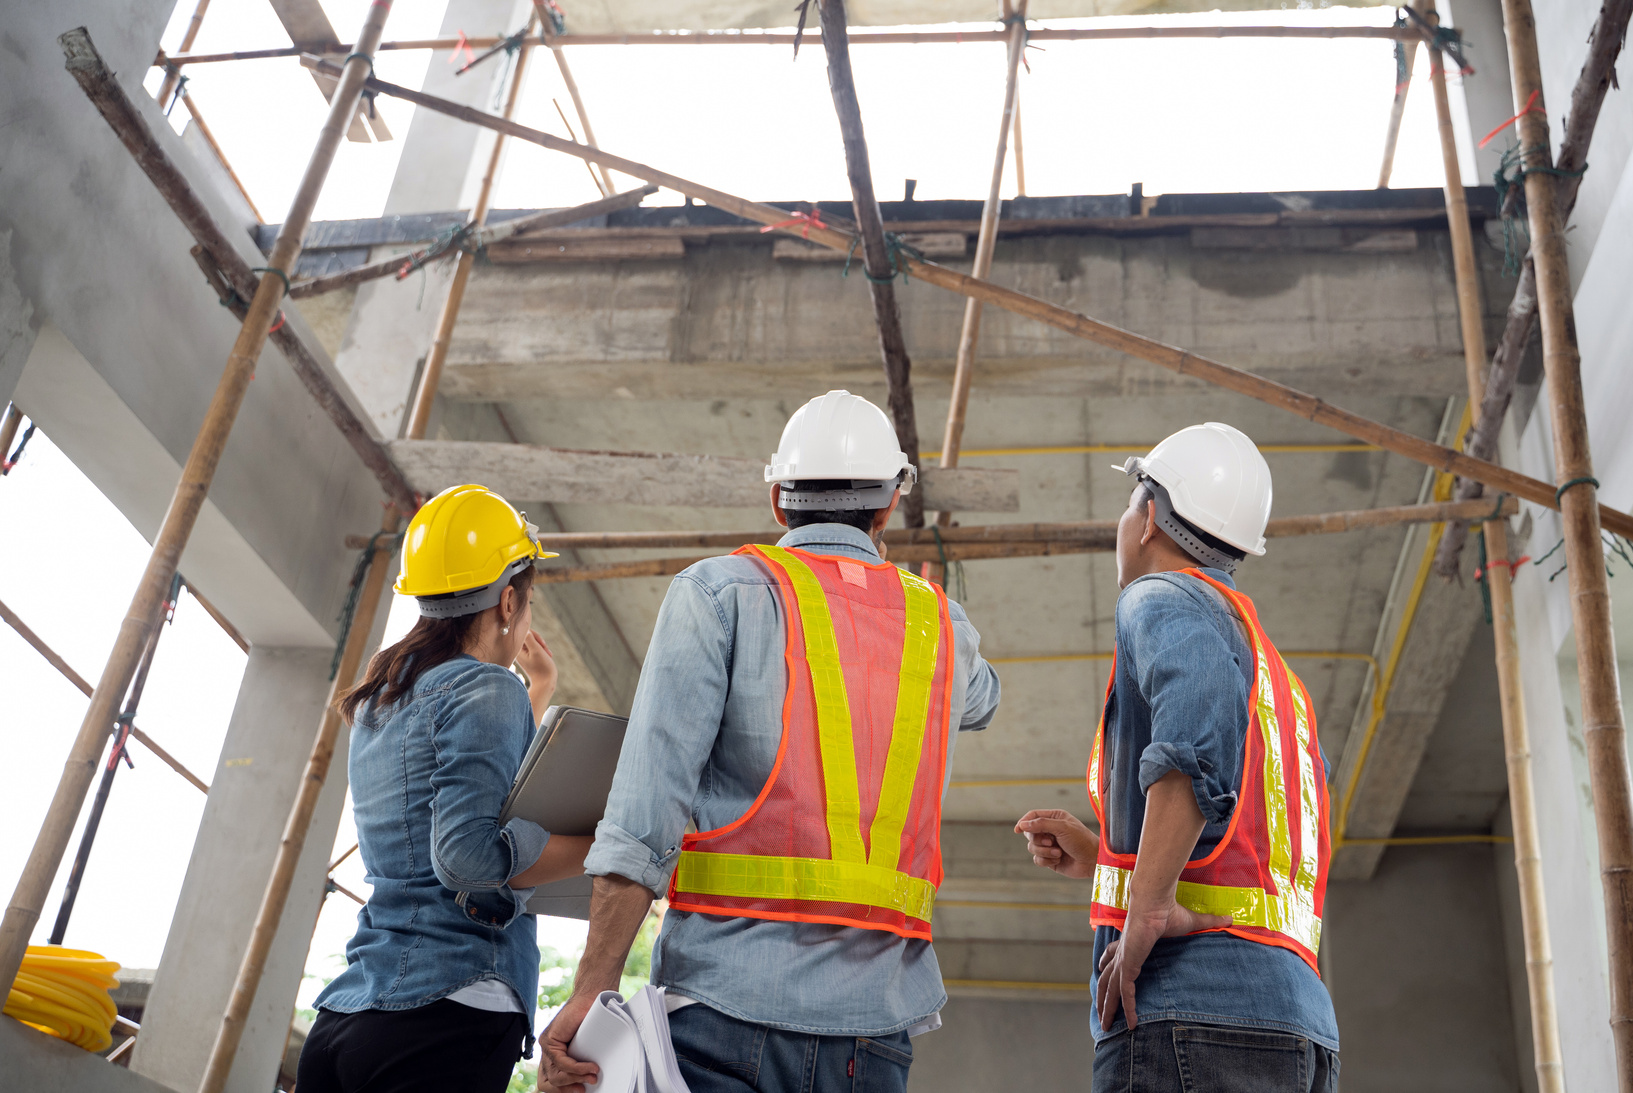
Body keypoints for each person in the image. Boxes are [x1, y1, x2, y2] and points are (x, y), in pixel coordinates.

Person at [536, 390, 1001, 1093]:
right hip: (872, 1036)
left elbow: (641, 822)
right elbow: (982, 699)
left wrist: (592, 991)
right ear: (887, 507)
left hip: (724, 1014)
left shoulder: (718, 593)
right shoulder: (941, 626)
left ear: (778, 500)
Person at [1015, 422, 1338, 1093]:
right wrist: (1112, 855)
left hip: (1189, 1009)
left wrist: (1148, 906)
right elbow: (1243, 840)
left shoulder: (1161, 597)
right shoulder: (1276, 677)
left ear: (1149, 516)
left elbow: (1193, 748)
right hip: (1295, 1020)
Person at [298, 484, 597, 1093]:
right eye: (529, 599)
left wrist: (535, 691)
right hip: (446, 1009)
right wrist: (607, 844)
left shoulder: (389, 692)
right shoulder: (487, 688)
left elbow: (464, 778)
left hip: (351, 1015)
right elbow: (467, 857)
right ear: (509, 601)